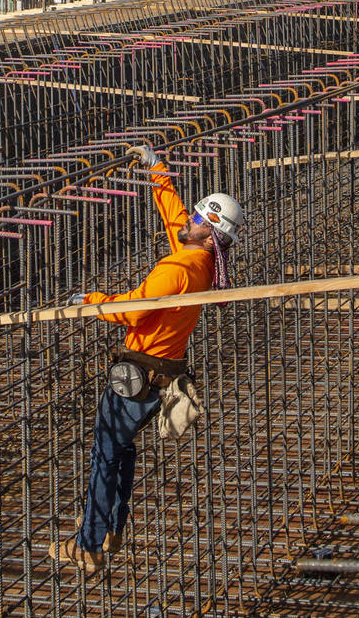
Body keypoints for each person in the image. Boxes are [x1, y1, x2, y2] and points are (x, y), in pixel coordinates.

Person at [48, 144, 244, 573]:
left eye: (197, 219)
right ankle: (109, 527)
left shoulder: (176, 270)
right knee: (120, 450)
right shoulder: (203, 262)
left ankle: (89, 544)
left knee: (105, 455)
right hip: (159, 377)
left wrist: (92, 301)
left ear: (208, 232)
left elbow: (133, 310)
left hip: (138, 374)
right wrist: (158, 171)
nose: (188, 221)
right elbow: (176, 220)